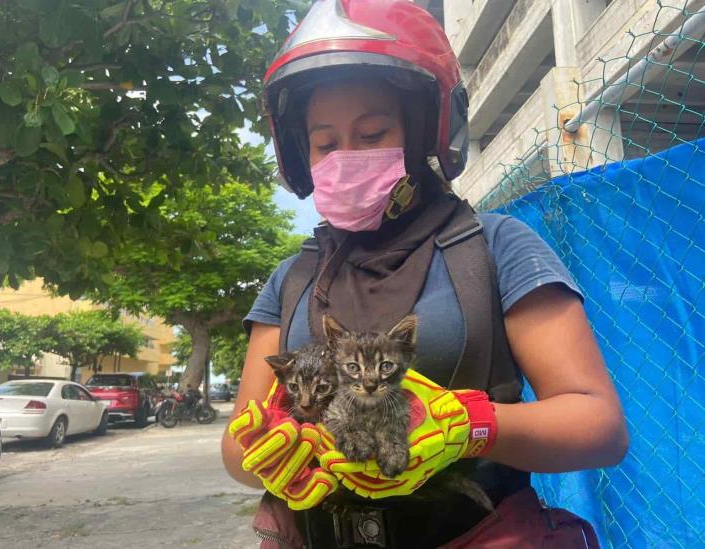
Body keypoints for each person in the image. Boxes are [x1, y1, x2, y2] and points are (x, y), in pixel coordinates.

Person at [222, 1, 629, 547]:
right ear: (303, 154)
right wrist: (273, 448)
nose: (345, 156)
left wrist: (471, 426)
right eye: (325, 143)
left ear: (423, 134)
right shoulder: (292, 278)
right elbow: (237, 446)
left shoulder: (495, 247)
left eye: (371, 134)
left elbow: (599, 426)